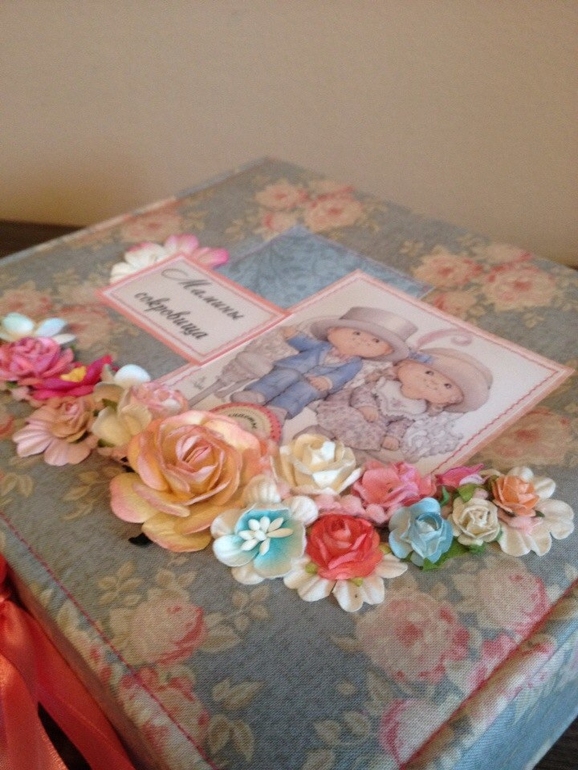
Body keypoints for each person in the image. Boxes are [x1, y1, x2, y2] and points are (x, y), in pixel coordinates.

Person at [230, 306, 417, 423]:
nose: (362, 341)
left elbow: (342, 376)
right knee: (285, 375)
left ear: (385, 352)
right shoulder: (321, 346)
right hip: (293, 368)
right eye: (356, 333)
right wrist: (293, 335)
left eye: (375, 341)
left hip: (317, 384)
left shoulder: (354, 364)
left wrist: (327, 381)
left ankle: (279, 410)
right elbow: (304, 343)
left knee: (305, 390)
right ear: (332, 331)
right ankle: (256, 394)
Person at [315, 347, 493, 453]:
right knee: (351, 417)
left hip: (377, 423)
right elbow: (363, 391)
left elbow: (401, 423)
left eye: (447, 386)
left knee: (369, 435)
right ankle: (319, 437)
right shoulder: (386, 383)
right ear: (405, 365)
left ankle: (337, 451)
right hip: (352, 405)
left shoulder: (418, 408)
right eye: (429, 372)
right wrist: (366, 406)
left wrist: (392, 436)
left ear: (449, 401)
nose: (432, 382)